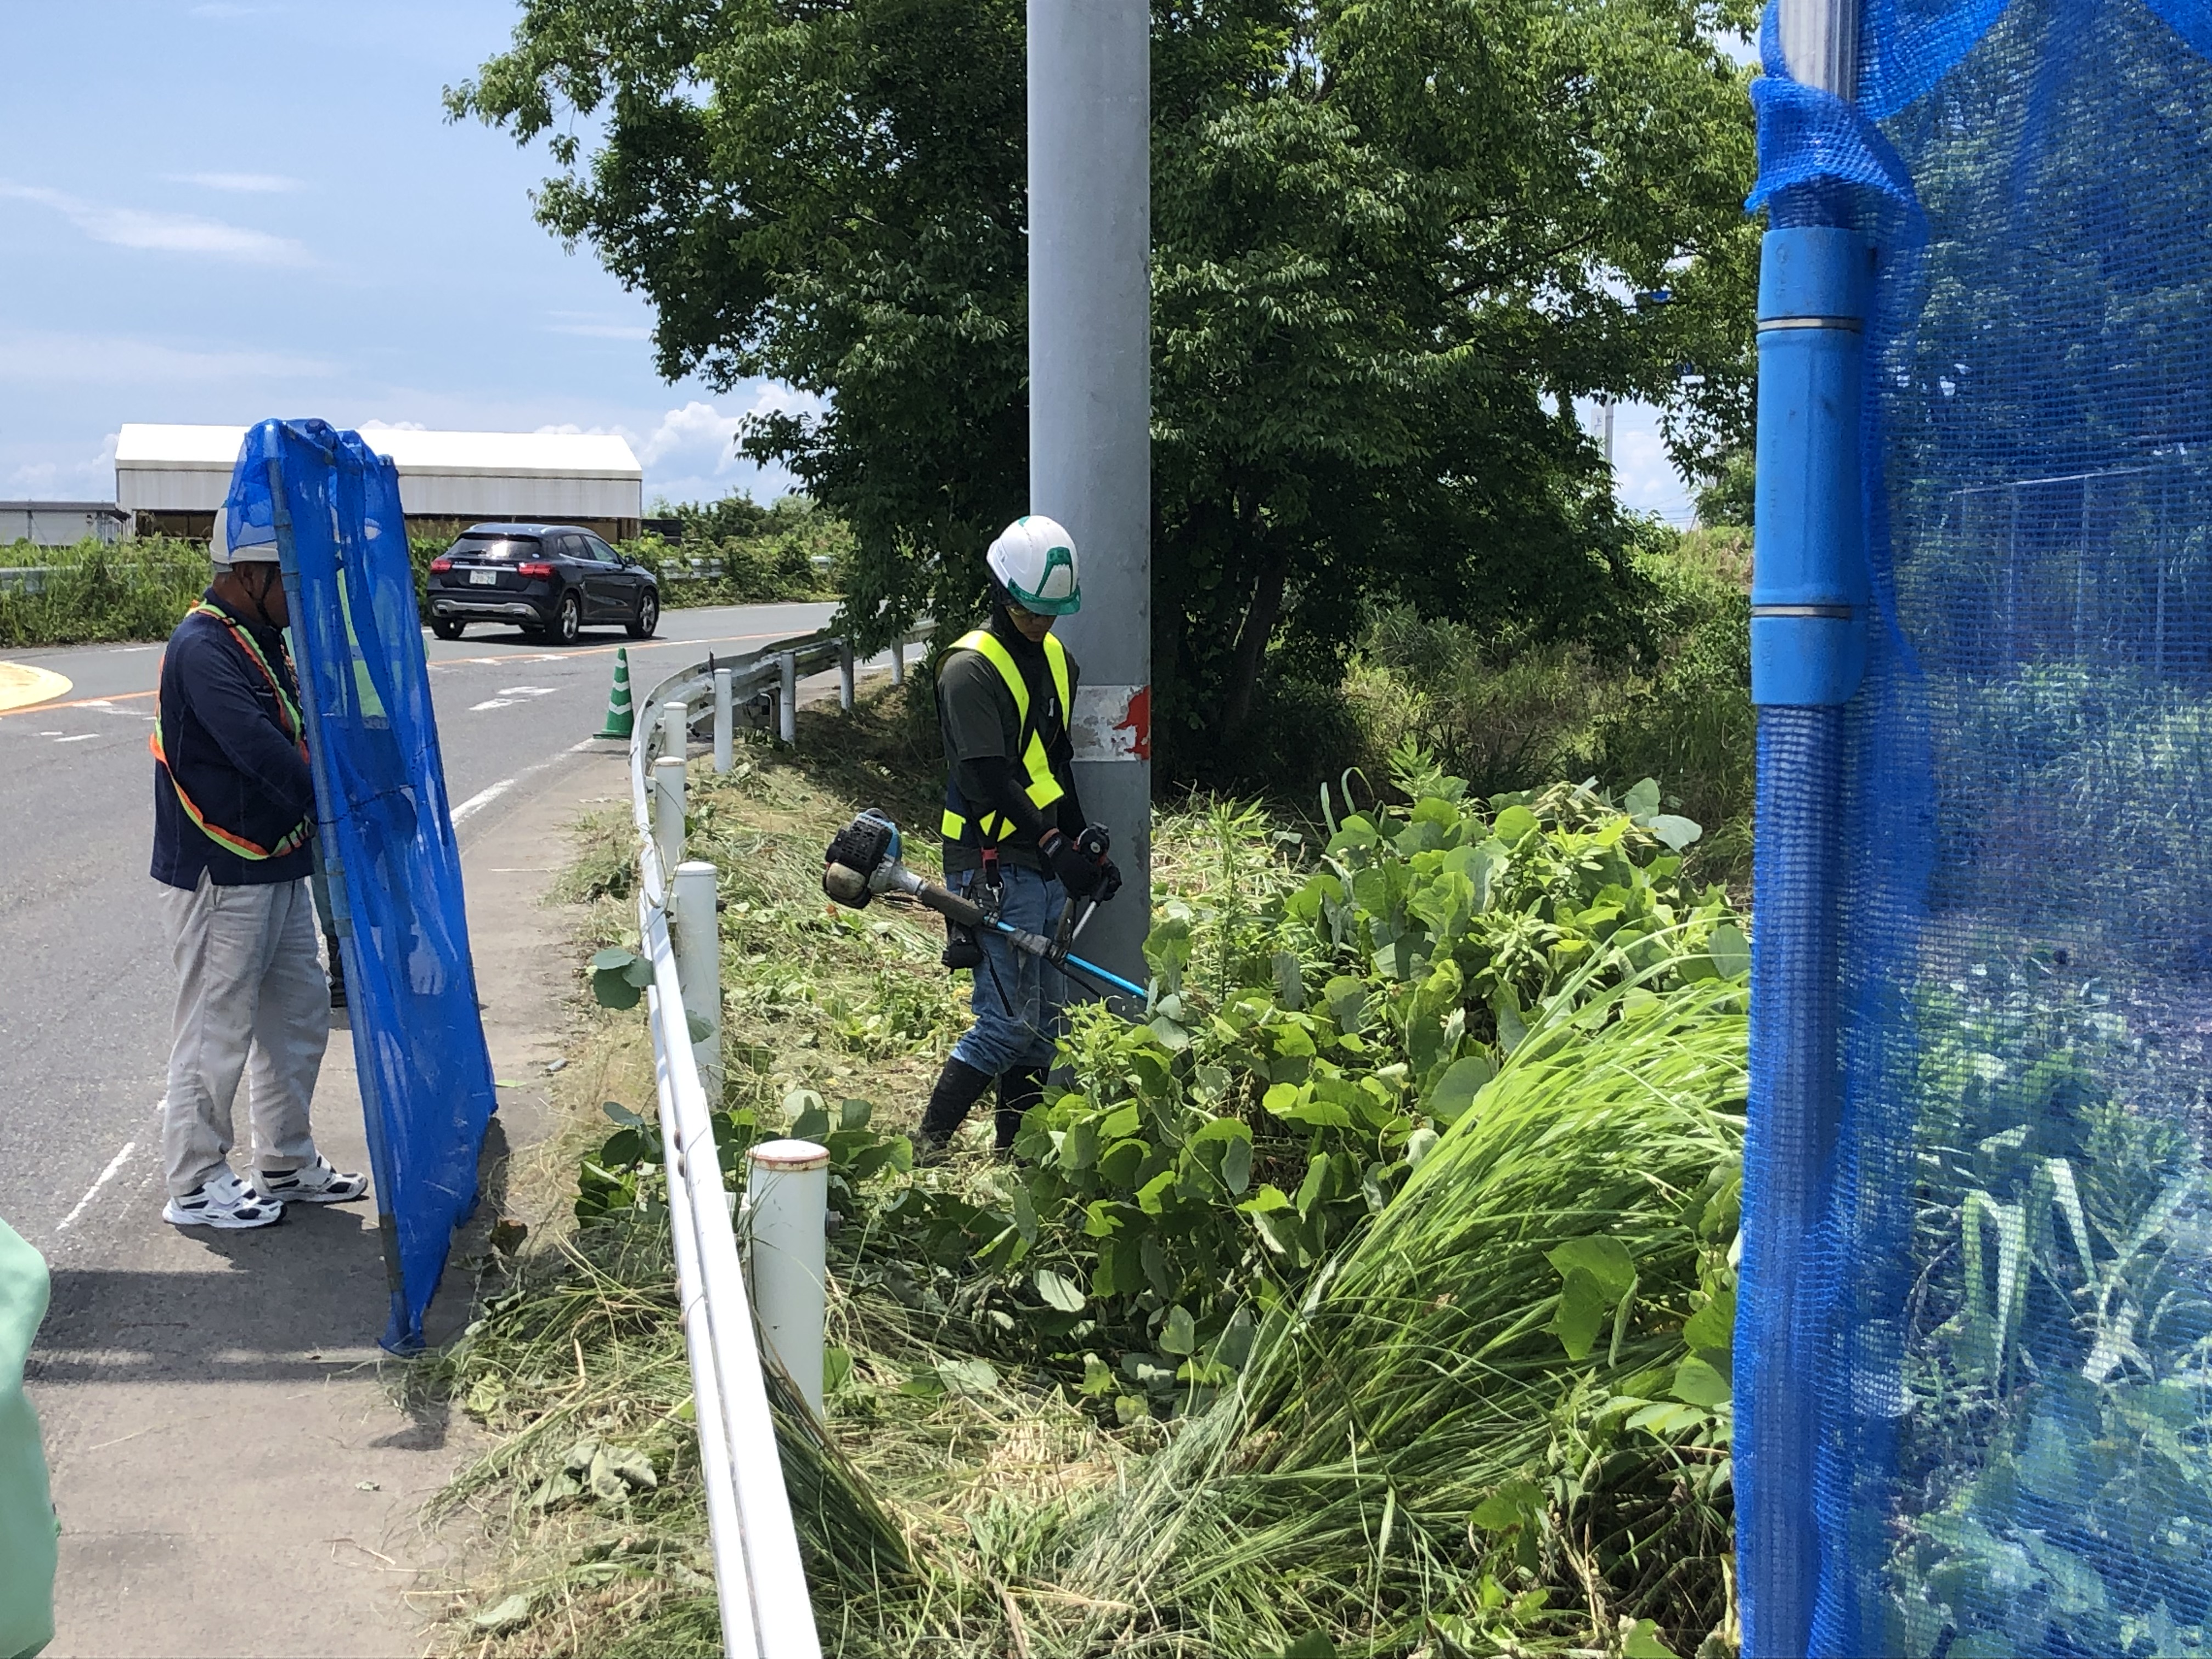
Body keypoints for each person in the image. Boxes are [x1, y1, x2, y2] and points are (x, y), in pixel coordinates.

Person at [148, 506, 367, 1229]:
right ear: (249, 574)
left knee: (298, 1013)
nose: (299, 597)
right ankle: (194, 1181)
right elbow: (257, 748)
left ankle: (284, 1158)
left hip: (275, 861)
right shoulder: (203, 647)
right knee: (217, 1028)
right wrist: (338, 807)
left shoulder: (260, 639)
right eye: (289, 581)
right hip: (222, 869)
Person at [916, 515, 1121, 1158]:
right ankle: (927, 1147)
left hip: (1038, 852)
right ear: (1002, 593)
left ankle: (1016, 1159)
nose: (1043, 623)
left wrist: (1081, 839)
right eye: (1032, 611)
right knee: (1006, 1024)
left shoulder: (1060, 659)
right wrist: (1052, 842)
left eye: (1053, 613)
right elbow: (986, 779)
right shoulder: (968, 670)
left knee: (1045, 1031)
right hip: (989, 861)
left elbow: (1055, 762)